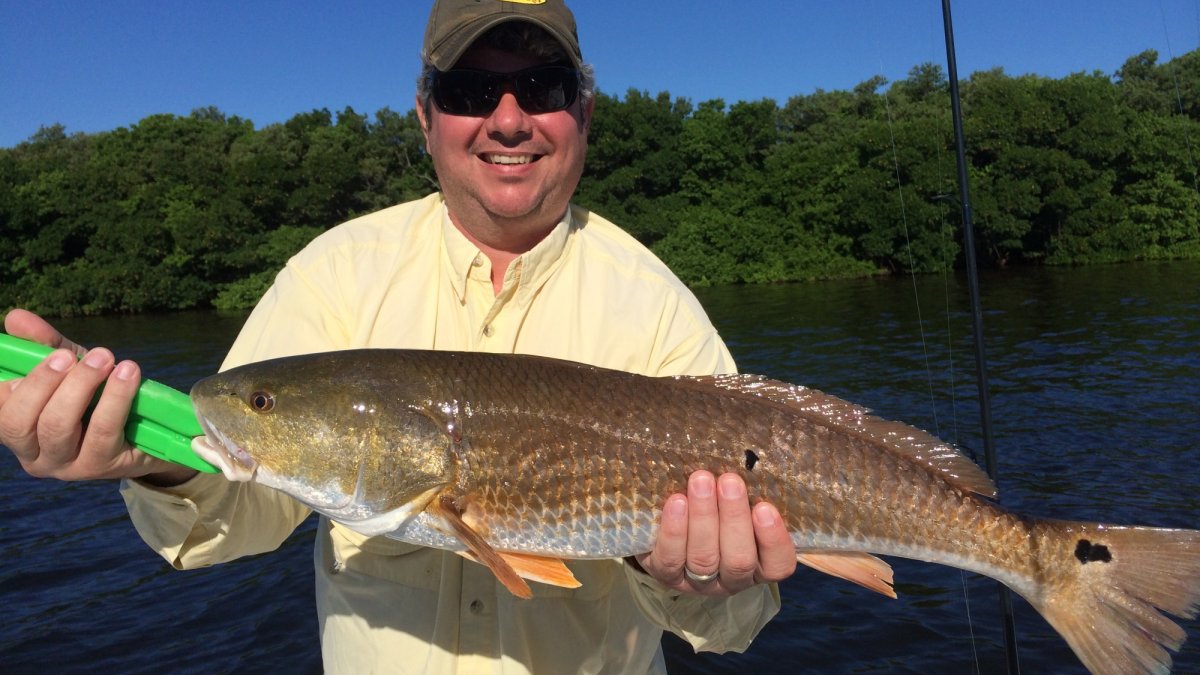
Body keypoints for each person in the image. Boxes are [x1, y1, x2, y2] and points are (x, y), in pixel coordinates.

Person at [0, 1, 797, 672]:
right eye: (471, 89)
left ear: (583, 113)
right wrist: (149, 455)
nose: (509, 118)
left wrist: (697, 581)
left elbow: (734, 625)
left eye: (541, 86)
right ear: (425, 118)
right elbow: (237, 512)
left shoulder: (656, 305)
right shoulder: (333, 274)